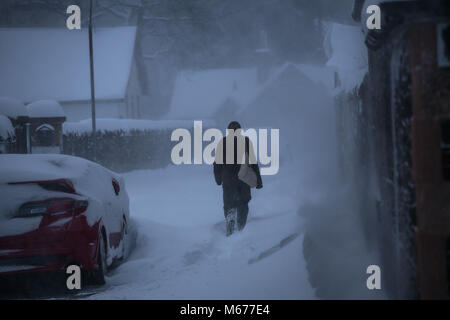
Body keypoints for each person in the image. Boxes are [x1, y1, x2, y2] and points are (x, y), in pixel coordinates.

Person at [213, 121, 263, 236]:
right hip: (243, 180)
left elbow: (217, 163)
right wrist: (258, 181)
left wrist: (218, 179)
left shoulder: (223, 142)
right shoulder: (245, 141)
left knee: (229, 204)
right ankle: (241, 228)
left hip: (228, 180)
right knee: (243, 204)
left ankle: (230, 222)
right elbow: (253, 162)